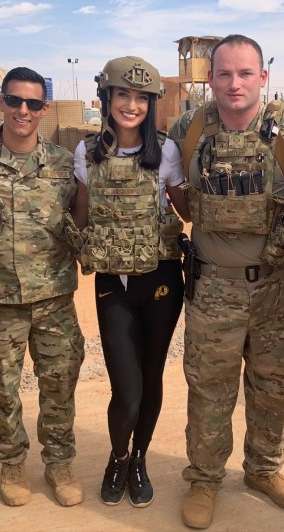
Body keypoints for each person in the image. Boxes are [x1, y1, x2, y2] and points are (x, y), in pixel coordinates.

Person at [167, 34, 284, 529]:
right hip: (213, 286)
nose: (233, 83)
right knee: (210, 388)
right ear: (210, 78)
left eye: (244, 73)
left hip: (276, 287)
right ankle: (205, 478)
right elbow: (176, 193)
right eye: (223, 73)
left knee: (273, 385)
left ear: (263, 77)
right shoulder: (188, 128)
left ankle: (263, 470)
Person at [0, 67, 85, 508]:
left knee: (59, 384)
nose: (23, 111)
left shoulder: (65, 164)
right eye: (14, 101)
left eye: (32, 103)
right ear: (1, 102)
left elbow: (80, 219)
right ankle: (11, 463)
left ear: (44, 109)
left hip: (55, 300)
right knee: (1, 389)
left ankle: (59, 462)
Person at [72, 56, 190, 508]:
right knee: (127, 387)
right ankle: (117, 456)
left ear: (151, 104)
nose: (132, 105)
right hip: (113, 283)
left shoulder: (166, 152)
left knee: (153, 374)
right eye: (124, 94)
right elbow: (80, 216)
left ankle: (139, 458)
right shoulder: (88, 153)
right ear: (108, 98)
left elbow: (187, 211)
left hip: (160, 279)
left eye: (142, 97)